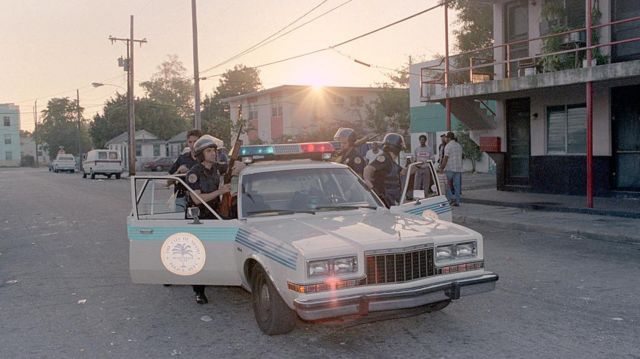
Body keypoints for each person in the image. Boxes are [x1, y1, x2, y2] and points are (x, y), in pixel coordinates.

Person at [363, 133, 407, 207]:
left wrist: (417, 166)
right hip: (385, 199)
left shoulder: (391, 161)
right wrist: (371, 187)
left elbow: (403, 172)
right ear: (396, 148)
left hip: (391, 199)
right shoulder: (384, 158)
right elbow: (368, 169)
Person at [168, 129, 203, 212]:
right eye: (190, 142)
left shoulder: (206, 160)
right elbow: (168, 182)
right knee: (181, 222)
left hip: (201, 198)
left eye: (195, 141)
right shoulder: (182, 158)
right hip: (182, 198)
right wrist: (178, 172)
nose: (192, 145)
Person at [438, 131, 463, 206]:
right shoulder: (459, 145)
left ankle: (451, 198)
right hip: (458, 168)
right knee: (457, 185)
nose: (445, 139)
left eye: (445, 137)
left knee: (446, 184)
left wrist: (441, 168)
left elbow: (445, 158)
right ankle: (457, 201)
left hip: (449, 168)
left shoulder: (448, 146)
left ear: (448, 138)